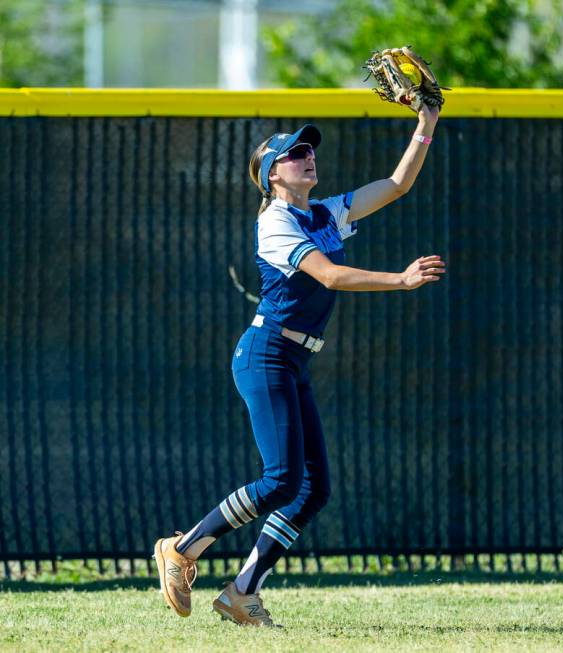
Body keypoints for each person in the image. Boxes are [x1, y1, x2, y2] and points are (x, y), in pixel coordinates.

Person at [153, 104, 444, 627]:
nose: (308, 157)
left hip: (294, 358)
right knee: (283, 479)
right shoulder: (275, 221)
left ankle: (242, 592)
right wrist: (399, 280)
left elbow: (397, 185)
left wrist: (426, 122)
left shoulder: (324, 212)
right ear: (272, 174)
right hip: (265, 354)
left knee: (313, 491)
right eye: (294, 154)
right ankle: (183, 548)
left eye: (309, 150)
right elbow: (329, 276)